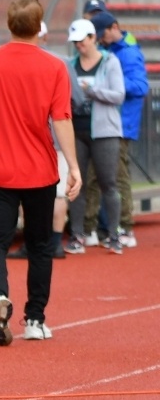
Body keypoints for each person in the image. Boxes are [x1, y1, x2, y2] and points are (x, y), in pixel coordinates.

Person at [0, 0, 79, 345]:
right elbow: (61, 120)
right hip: (40, 170)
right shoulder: (54, 67)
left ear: (9, 25)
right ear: (39, 26)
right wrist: (72, 166)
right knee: (41, 246)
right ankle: (35, 319)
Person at [85, 6, 148, 247]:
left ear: (115, 27)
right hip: (106, 123)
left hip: (121, 125)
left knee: (117, 177)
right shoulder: (110, 50)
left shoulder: (128, 53)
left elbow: (140, 87)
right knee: (95, 177)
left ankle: (125, 228)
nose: (101, 38)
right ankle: (97, 228)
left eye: (104, 33)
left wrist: (112, 86)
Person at [63, 19, 126, 255]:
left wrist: (91, 90)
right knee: (75, 184)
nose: (78, 46)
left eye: (81, 41)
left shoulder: (110, 62)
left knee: (108, 183)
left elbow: (119, 95)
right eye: (75, 42)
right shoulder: (70, 64)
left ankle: (114, 234)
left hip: (105, 132)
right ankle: (77, 235)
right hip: (76, 130)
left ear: (92, 38)